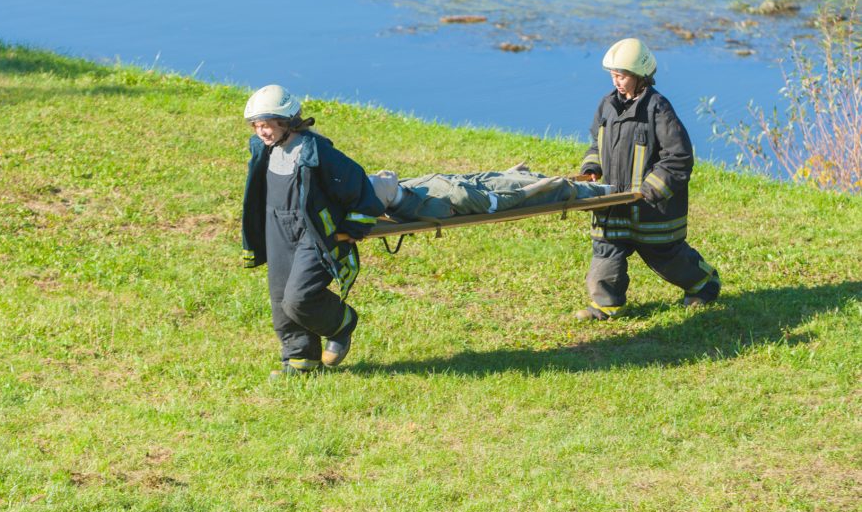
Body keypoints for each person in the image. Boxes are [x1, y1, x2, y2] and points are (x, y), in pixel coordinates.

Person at [241, 84, 385, 378]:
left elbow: (359, 187)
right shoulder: (263, 149)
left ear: (287, 122)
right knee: (281, 301)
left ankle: (342, 323)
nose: (262, 132)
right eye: (257, 125)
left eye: (267, 125)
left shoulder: (316, 151)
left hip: (312, 232)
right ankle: (301, 362)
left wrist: (352, 229)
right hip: (277, 229)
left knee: (300, 298)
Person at [576, 38, 720, 320]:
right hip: (614, 203)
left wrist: (651, 190)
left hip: (651, 209)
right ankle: (606, 305)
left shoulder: (658, 109)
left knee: (666, 257)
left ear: (641, 76)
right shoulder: (607, 106)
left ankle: (704, 283)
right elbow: (596, 143)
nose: (617, 81)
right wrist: (592, 167)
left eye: (622, 76)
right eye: (613, 75)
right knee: (605, 253)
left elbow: (678, 158)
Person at [367, 164, 614, 220]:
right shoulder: (430, 205)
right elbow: (500, 203)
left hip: (481, 181)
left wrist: (502, 172)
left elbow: (457, 179)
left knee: (521, 178)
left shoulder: (408, 187)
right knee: (555, 188)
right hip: (490, 193)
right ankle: (602, 192)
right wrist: (536, 187)